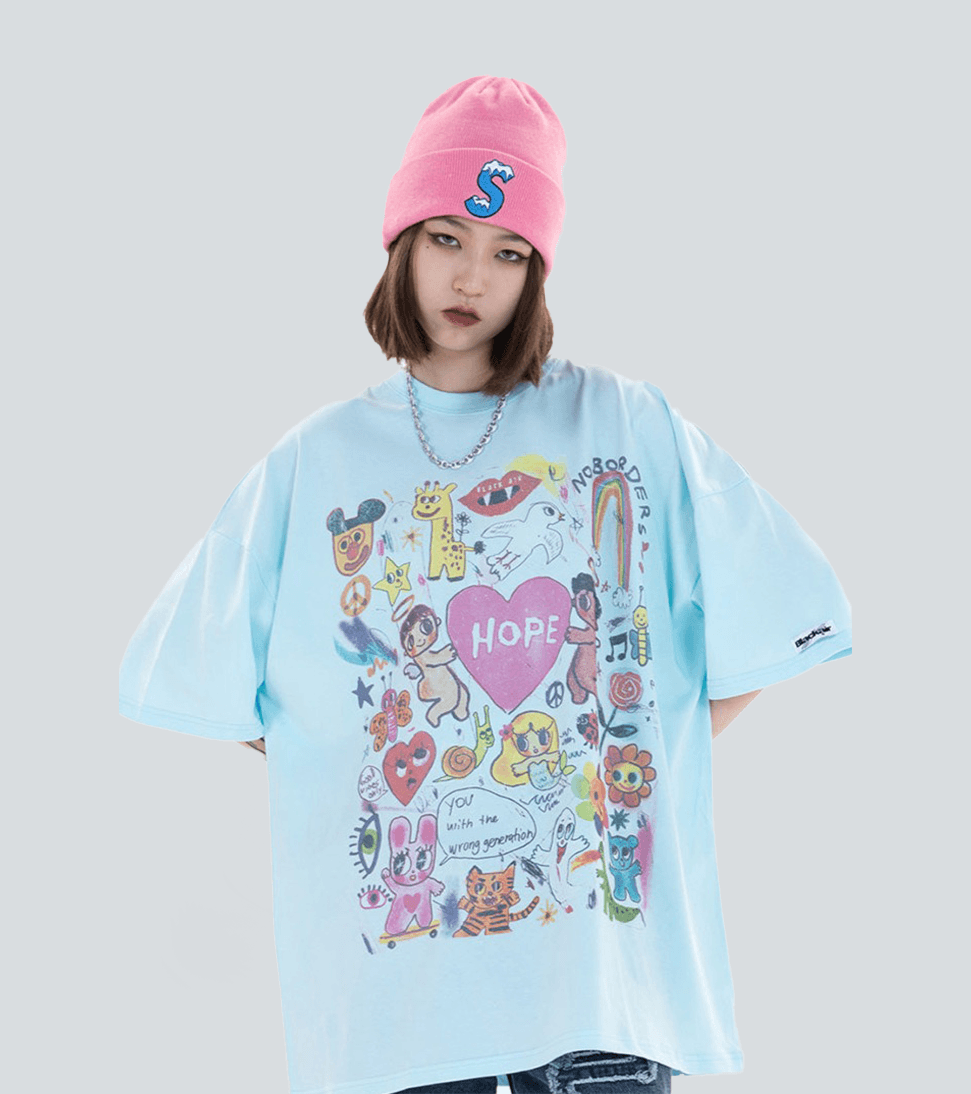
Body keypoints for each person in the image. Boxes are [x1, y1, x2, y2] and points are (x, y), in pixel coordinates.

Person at [119, 76, 852, 1094]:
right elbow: (186, 671)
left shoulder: (624, 424)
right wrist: (355, 761)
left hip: (600, 988)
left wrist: (633, 747)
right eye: (447, 237)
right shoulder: (313, 462)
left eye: (509, 252)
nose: (472, 276)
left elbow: (790, 606)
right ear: (400, 243)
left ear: (537, 274)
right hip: (403, 1012)